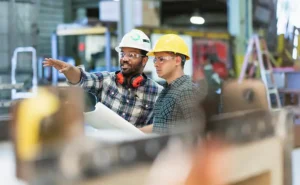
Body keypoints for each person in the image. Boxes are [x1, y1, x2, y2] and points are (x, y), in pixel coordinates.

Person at [43, 29, 163, 127]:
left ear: (144, 60)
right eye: (123, 54)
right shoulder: (106, 80)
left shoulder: (157, 92)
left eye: (131, 55)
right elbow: (82, 79)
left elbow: (159, 128)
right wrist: (69, 70)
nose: (125, 58)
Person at [140, 34, 206, 134]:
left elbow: (197, 131)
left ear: (177, 60)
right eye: (155, 59)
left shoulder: (187, 91)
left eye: (161, 59)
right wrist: (133, 132)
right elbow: (161, 125)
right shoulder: (166, 91)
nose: (156, 64)